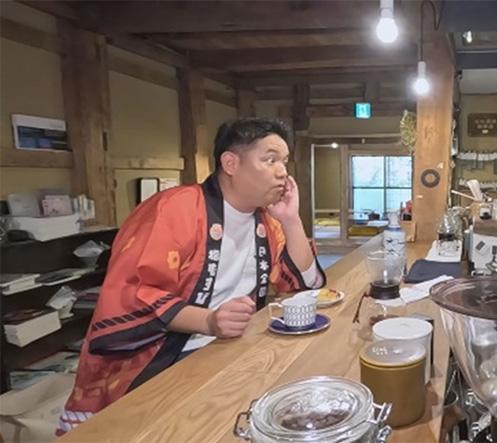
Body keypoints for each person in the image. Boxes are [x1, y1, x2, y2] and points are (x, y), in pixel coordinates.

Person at [57, 118, 325, 433]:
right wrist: (209, 321)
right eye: (270, 160)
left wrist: (291, 220)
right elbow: (134, 293)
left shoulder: (267, 220)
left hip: (232, 346)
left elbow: (305, 285)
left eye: (284, 161)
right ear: (231, 163)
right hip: (162, 356)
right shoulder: (173, 209)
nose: (282, 172)